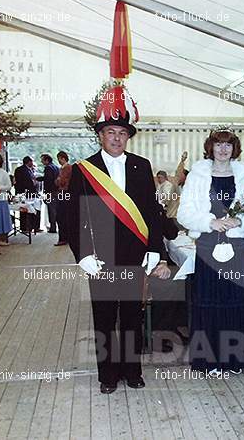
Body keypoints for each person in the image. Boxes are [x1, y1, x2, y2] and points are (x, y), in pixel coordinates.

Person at [67, 85, 165, 394]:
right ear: (100, 134)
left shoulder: (142, 166)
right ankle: (108, 375)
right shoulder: (84, 170)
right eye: (111, 132)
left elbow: (152, 212)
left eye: (122, 133)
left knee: (133, 316)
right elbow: (72, 217)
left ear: (128, 136)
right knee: (105, 317)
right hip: (101, 256)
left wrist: (155, 249)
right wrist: (83, 254)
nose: (117, 138)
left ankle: (132, 370)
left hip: (135, 253)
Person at [177, 130, 244, 375]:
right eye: (218, 144)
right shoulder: (196, 175)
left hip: (238, 248)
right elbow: (184, 213)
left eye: (228, 145)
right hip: (207, 246)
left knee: (237, 300)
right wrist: (210, 223)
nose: (223, 149)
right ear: (210, 147)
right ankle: (211, 360)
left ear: (234, 149)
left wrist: (240, 222)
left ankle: (238, 359)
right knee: (210, 301)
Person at [14, 156, 40, 233]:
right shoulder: (20, 170)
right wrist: (32, 183)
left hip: (32, 193)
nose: (32, 163)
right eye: (31, 161)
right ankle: (24, 227)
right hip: (24, 193)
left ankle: (31, 226)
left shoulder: (30, 170)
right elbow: (21, 182)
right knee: (24, 210)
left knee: (32, 210)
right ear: (28, 162)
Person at [39, 153, 60, 233]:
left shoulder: (48, 168)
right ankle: (56, 226)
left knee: (51, 210)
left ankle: (53, 227)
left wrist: (46, 193)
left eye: (42, 160)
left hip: (50, 192)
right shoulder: (56, 167)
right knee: (55, 210)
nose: (41, 162)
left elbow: (48, 180)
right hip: (57, 191)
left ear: (47, 160)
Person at [55, 151, 72, 246]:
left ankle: (63, 238)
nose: (58, 161)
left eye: (59, 159)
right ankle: (64, 237)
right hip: (63, 192)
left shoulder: (67, 168)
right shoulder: (63, 168)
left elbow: (60, 181)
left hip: (64, 193)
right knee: (62, 216)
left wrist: (59, 180)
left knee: (61, 216)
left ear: (63, 158)